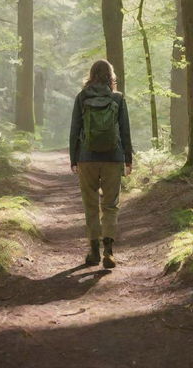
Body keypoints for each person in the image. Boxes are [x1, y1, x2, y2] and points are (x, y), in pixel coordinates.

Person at [69, 59, 133, 269]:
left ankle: (93, 251)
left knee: (90, 205)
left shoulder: (82, 97)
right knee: (110, 205)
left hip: (86, 158)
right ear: (110, 76)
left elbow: (75, 129)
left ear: (91, 75)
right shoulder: (117, 98)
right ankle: (109, 251)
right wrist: (128, 159)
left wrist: (73, 158)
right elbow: (124, 130)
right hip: (113, 158)